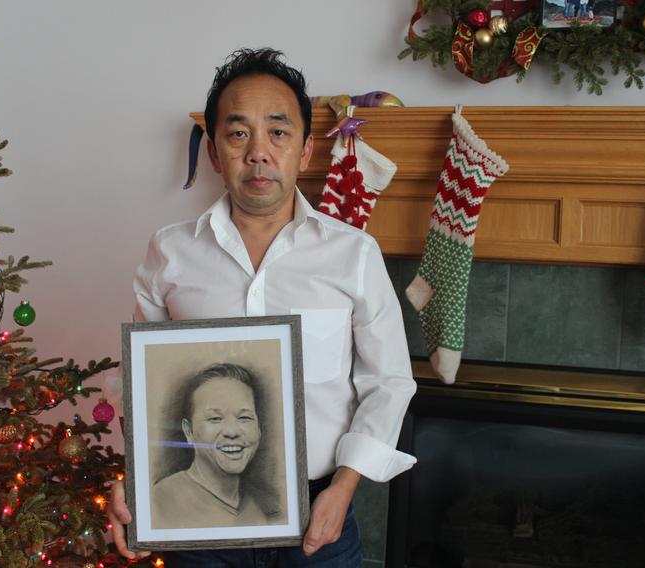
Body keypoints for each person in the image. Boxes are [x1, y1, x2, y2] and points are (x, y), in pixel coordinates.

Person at [107, 48, 416, 567]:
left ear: (306, 150)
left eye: (278, 131)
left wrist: (344, 489)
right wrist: (136, 479)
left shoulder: (353, 254)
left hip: (320, 519)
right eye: (237, 133)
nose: (258, 152)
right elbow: (140, 381)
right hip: (198, 529)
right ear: (213, 153)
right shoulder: (169, 251)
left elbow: (389, 382)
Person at [151, 363, 275, 529]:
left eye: (244, 417)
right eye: (215, 419)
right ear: (189, 431)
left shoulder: (264, 508)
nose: (232, 431)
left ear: (259, 428)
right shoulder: (160, 502)